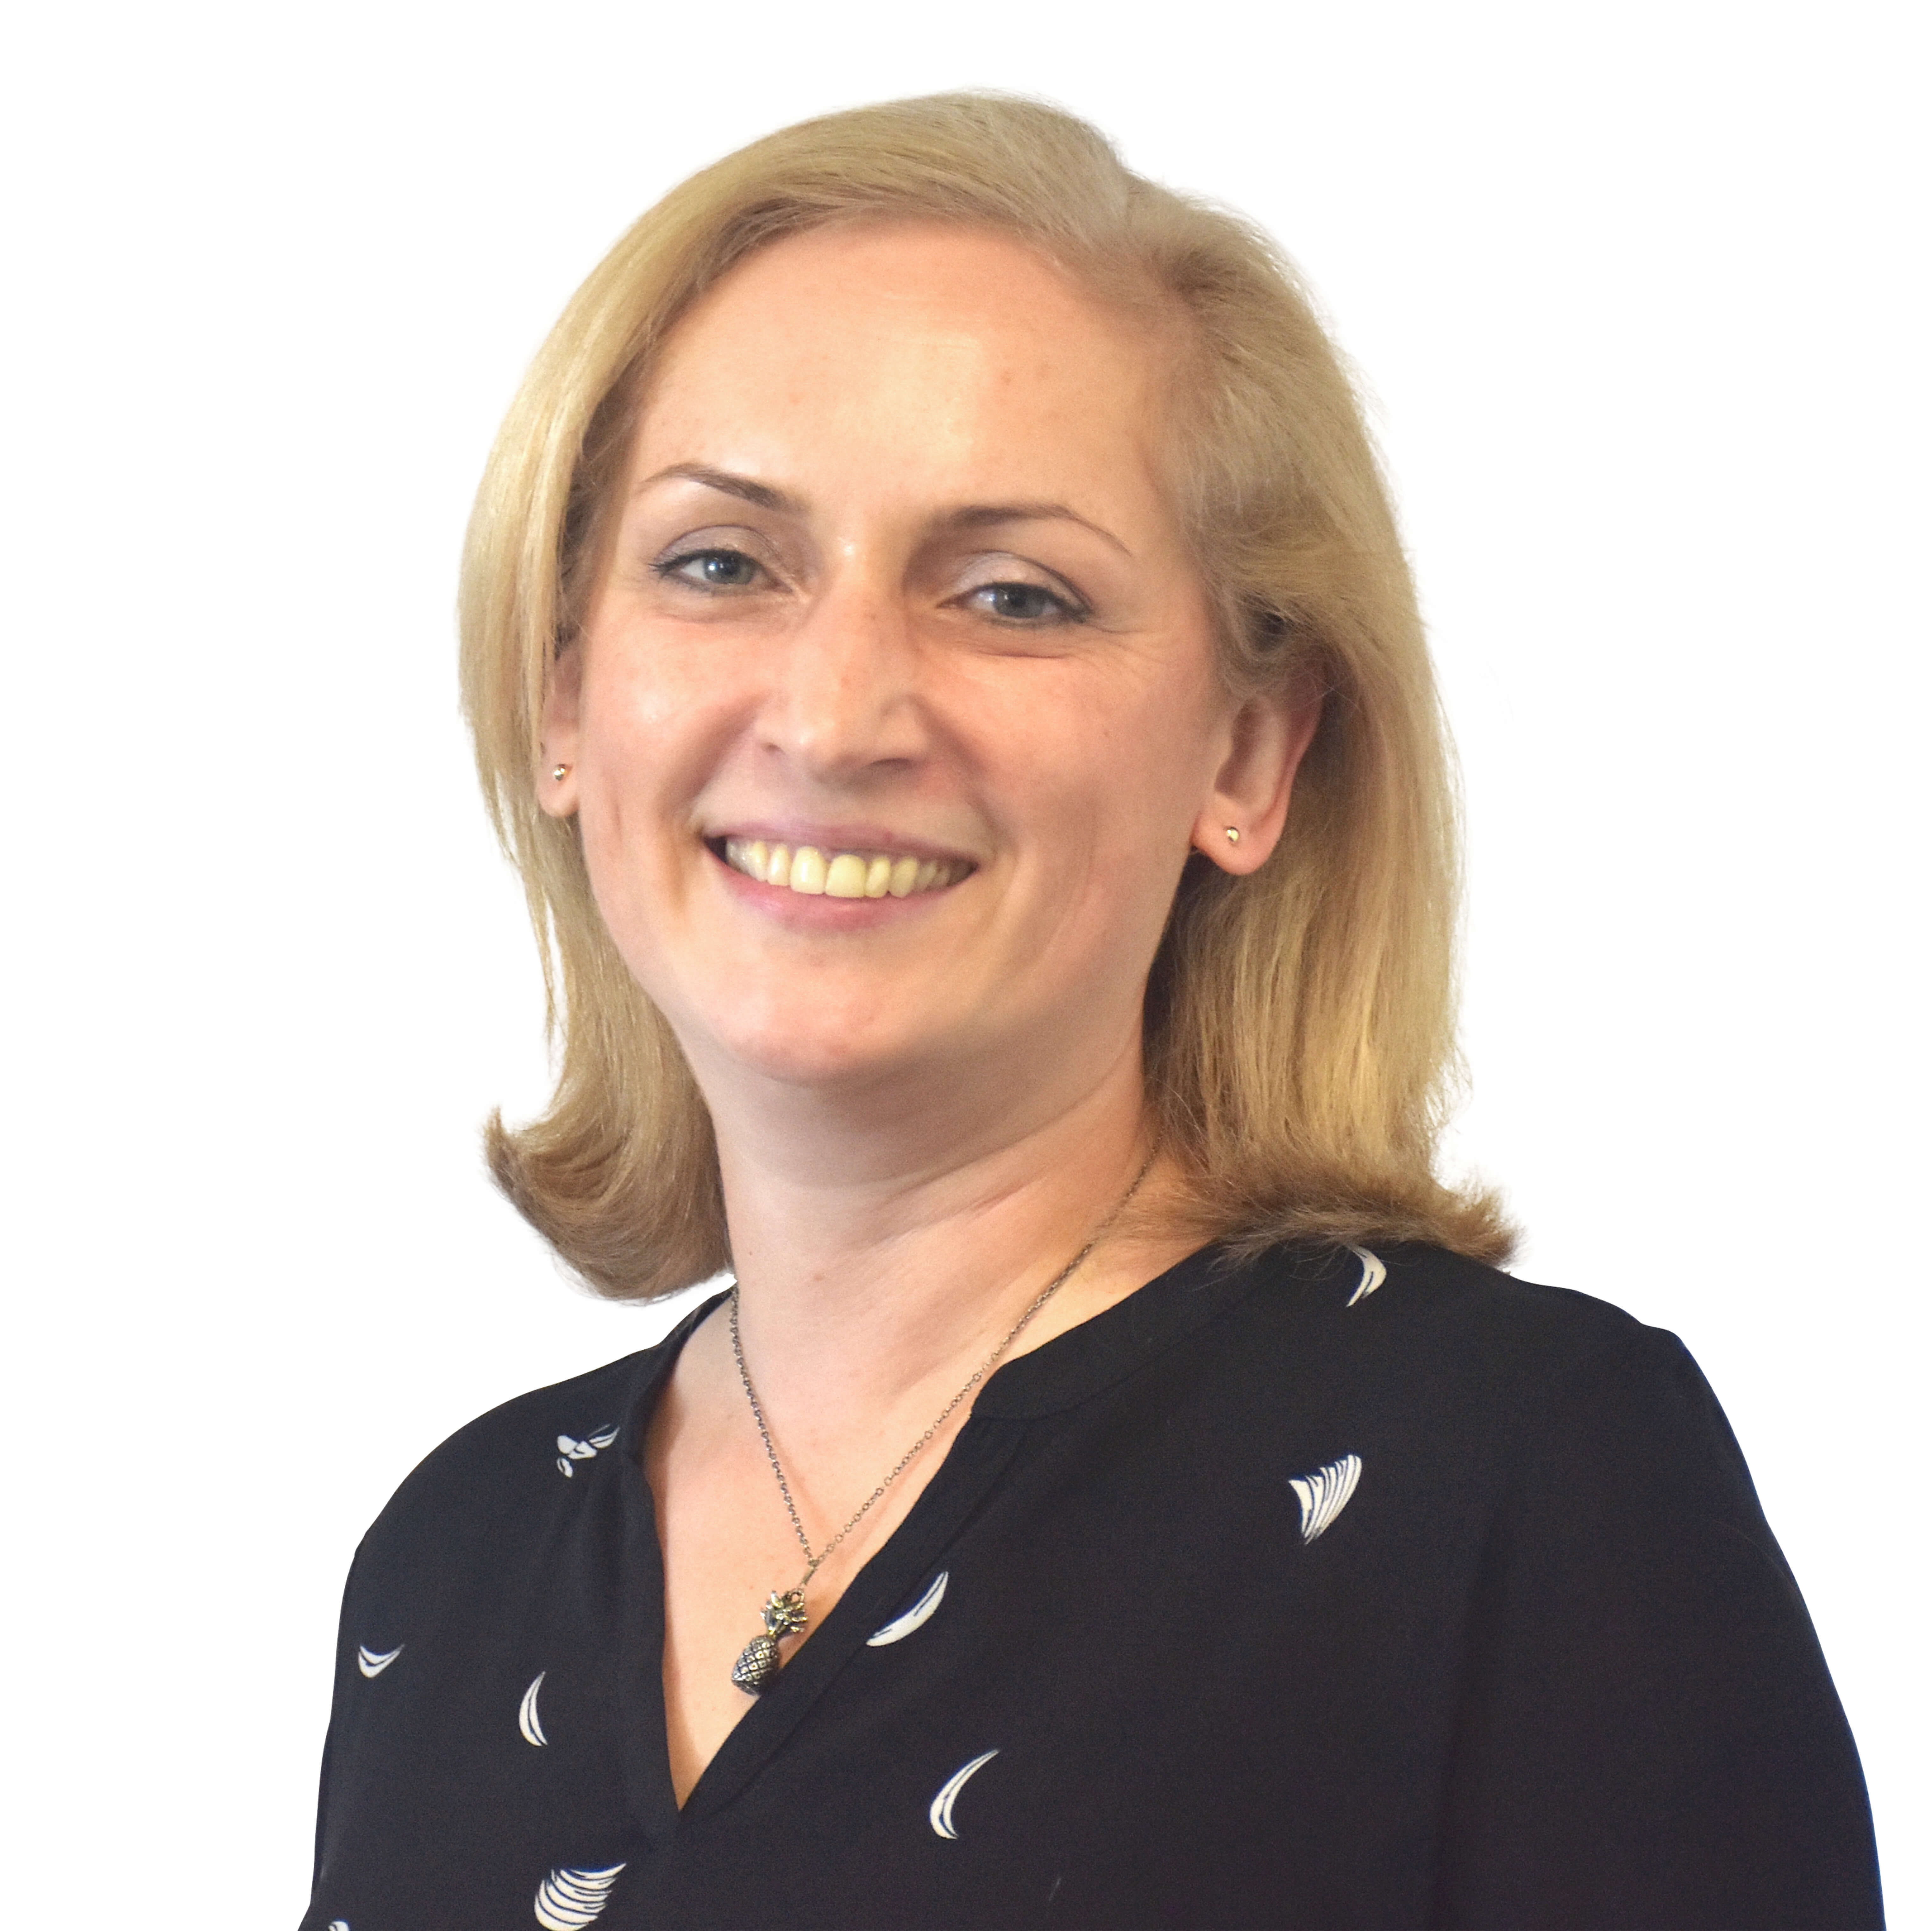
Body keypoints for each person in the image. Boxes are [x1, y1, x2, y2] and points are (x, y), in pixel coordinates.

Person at [304, 93, 1883, 1930]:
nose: (834, 716)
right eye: (721, 563)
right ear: (565, 693)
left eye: (1012, 595)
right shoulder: (454, 1558)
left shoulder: (1523, 1480)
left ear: (1248, 753)